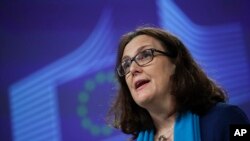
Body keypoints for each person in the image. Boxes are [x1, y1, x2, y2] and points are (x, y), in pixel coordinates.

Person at [108, 26, 249, 141]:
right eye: (126, 65)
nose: (132, 69)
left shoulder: (227, 119)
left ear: (175, 63)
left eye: (145, 55)